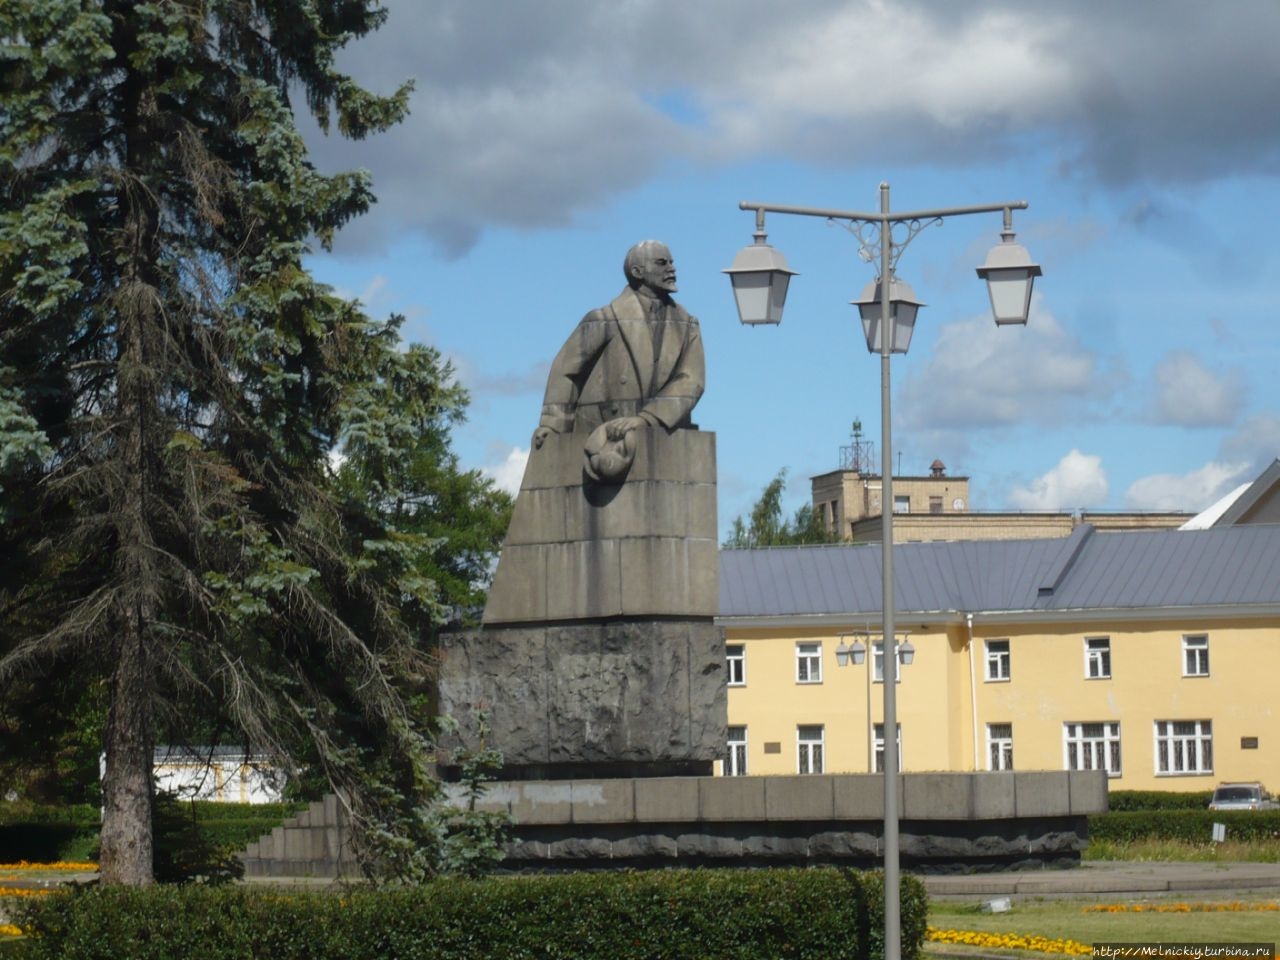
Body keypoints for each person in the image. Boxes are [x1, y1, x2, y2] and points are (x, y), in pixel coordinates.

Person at [532, 241, 705, 463]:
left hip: (663, 431)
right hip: (602, 436)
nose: (672, 269)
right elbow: (566, 370)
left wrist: (647, 418)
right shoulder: (603, 319)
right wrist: (553, 425)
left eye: (672, 263)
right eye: (662, 263)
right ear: (637, 272)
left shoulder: (687, 324)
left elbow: (692, 380)